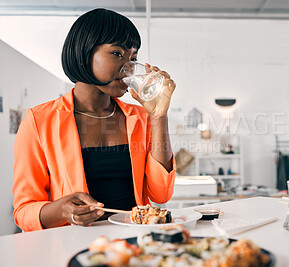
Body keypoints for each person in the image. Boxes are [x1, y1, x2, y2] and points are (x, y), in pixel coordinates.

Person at [12, 8, 176, 232]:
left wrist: (159, 117)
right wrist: (62, 210)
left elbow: (161, 194)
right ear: (85, 52)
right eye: (117, 53)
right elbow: (23, 211)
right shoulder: (39, 121)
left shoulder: (140, 117)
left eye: (133, 58)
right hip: (73, 249)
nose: (128, 67)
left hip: (133, 245)